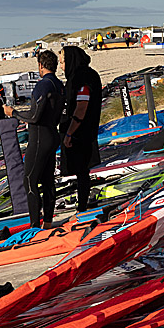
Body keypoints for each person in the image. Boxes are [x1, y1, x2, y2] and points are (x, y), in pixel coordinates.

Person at [3, 50, 65, 229]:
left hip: (40, 138)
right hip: (53, 136)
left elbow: (34, 116)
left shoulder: (43, 85)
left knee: (29, 180)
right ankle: (47, 222)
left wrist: (13, 113)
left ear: (40, 65)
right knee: (47, 181)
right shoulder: (59, 85)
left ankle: (34, 226)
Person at [59, 46, 102, 212]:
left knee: (82, 171)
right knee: (82, 171)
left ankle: (82, 206)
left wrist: (69, 132)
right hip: (87, 130)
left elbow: (81, 107)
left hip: (80, 132)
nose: (61, 67)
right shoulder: (88, 74)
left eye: (63, 62)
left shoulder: (81, 77)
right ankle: (82, 204)